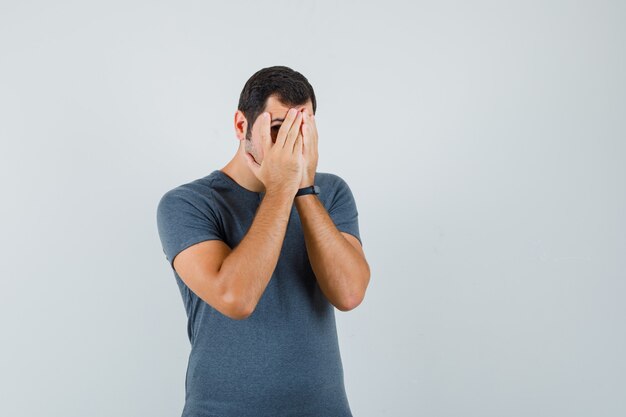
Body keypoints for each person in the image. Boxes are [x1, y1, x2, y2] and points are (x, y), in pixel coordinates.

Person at [156, 65, 371, 417]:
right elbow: (236, 297)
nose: (291, 145)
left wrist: (303, 189)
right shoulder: (188, 203)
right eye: (277, 129)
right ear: (242, 126)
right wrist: (281, 187)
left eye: (301, 129)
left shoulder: (329, 194)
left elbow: (348, 294)